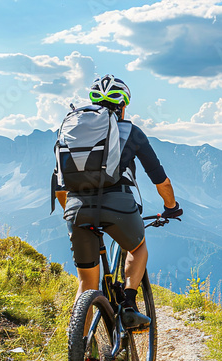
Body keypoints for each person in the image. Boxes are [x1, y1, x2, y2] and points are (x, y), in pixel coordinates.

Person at [55, 74, 182, 329]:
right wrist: (171, 207)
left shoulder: (71, 132)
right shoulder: (132, 132)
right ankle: (129, 304)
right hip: (119, 207)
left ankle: (79, 352)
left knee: (86, 284)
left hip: (76, 208)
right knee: (137, 249)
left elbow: (60, 186)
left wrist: (74, 213)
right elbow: (161, 181)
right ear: (123, 105)